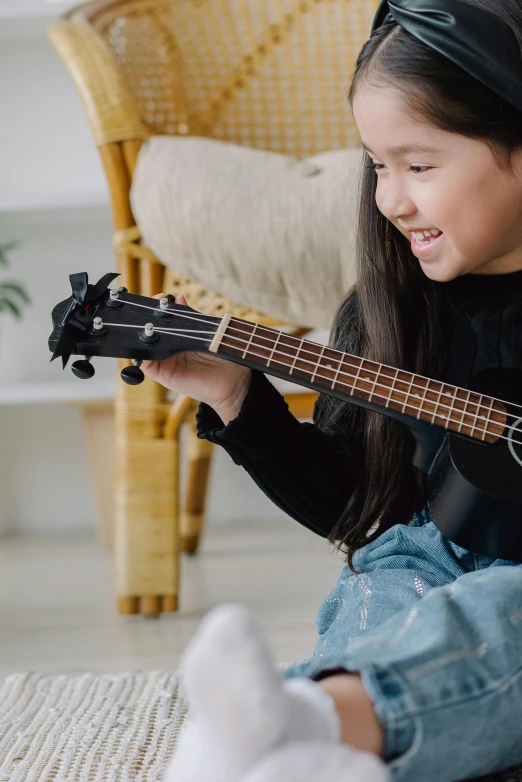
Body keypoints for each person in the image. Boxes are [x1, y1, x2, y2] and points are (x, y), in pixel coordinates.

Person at [143, 1, 522, 780]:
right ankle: (298, 729)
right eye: (378, 166)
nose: (392, 199)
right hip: (424, 560)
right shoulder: (388, 312)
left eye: (419, 166)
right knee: (382, 600)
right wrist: (240, 401)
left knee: (499, 619)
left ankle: (314, 735)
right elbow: (360, 508)